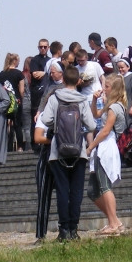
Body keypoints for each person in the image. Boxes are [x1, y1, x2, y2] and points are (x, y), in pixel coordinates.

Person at [34, 65, 96, 241]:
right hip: (78, 151)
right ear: (78, 81)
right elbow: (91, 126)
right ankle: (74, 229)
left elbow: (45, 120)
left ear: (63, 80)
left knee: (62, 191)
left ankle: (63, 231)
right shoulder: (82, 100)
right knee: (76, 192)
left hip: (58, 151)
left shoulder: (54, 98)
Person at [87, 73, 127, 235]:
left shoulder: (115, 107)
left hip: (106, 146)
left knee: (104, 186)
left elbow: (105, 130)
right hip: (102, 145)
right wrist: (95, 100)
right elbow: (96, 115)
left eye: (107, 87)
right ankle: (114, 220)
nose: (104, 89)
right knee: (93, 190)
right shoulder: (109, 105)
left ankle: (113, 223)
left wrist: (91, 146)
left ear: (114, 89)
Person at [32, 62, 63, 241]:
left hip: (60, 157)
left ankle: (63, 230)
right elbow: (38, 137)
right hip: (46, 156)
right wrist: (54, 139)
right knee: (43, 198)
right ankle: (40, 234)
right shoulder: (45, 116)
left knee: (62, 196)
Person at [0, 53, 26, 152]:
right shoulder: (19, 74)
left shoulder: (2, 74)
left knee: (6, 125)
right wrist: (20, 98)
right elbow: (22, 90)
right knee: (17, 124)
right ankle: (20, 147)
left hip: (5, 102)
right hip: (16, 101)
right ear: (15, 61)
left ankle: (6, 147)